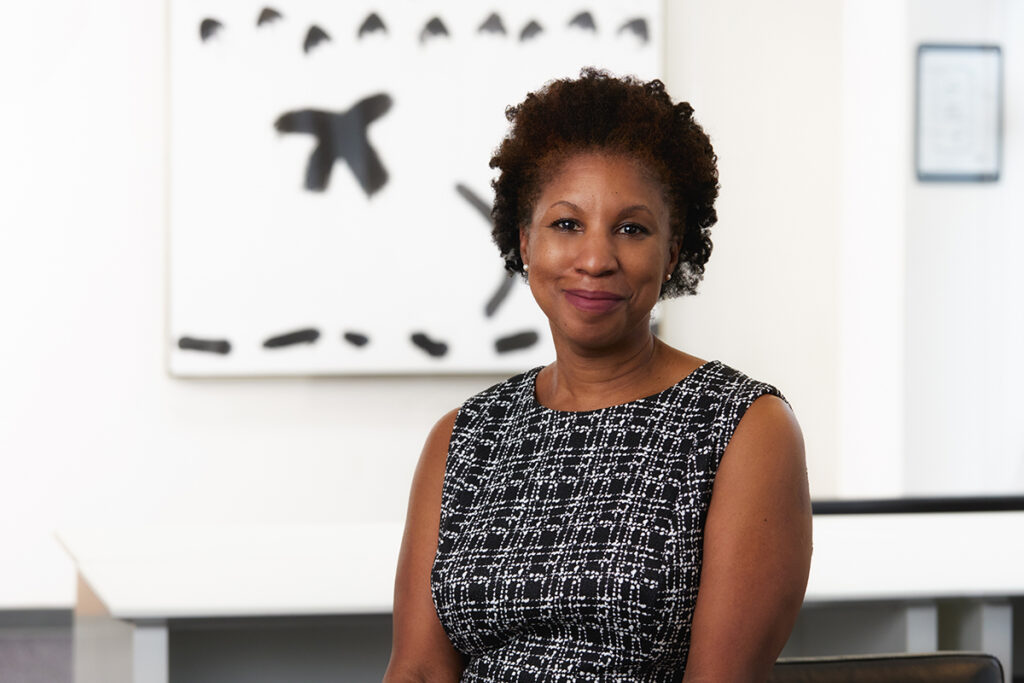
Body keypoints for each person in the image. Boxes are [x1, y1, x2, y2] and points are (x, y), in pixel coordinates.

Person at [384, 68, 811, 682]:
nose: (595, 259)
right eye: (566, 224)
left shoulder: (743, 429)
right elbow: (418, 671)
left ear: (672, 250)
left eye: (631, 229)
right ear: (525, 241)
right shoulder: (464, 438)